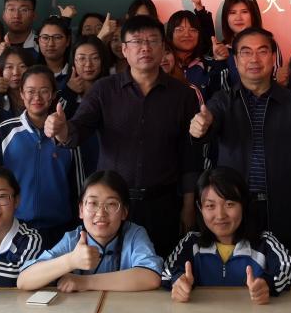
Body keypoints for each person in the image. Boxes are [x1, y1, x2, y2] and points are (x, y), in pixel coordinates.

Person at [44, 15, 201, 256]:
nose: (145, 48)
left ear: (163, 48)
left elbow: (190, 155)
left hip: (163, 204)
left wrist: (189, 206)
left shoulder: (183, 95)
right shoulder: (104, 90)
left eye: (152, 41)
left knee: (159, 269)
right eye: (137, 41)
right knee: (109, 268)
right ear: (124, 50)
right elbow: (78, 130)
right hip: (112, 205)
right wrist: (61, 129)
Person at [189, 27, 291, 252]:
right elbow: (208, 126)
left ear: (273, 57)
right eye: (246, 52)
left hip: (286, 210)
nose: (254, 59)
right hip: (236, 211)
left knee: (285, 269)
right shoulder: (222, 101)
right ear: (236, 60)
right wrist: (200, 128)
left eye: (262, 51)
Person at [16, 170, 163, 292]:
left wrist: (84, 282)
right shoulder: (72, 239)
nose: (101, 213)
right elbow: (24, 280)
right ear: (81, 210)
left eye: (111, 204)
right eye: (92, 203)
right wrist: (70, 261)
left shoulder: (135, 234)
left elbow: (151, 277)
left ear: (124, 212)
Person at [163, 167, 291, 303]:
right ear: (200, 208)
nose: (220, 215)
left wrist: (268, 284)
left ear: (243, 204)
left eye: (229, 204)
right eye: (210, 206)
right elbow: (167, 271)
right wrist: (177, 281)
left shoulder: (265, 242)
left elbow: (287, 268)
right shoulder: (191, 242)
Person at [0, 66, 77, 246]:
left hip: (60, 229)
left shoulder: (67, 132)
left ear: (53, 95)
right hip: (15, 229)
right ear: (21, 94)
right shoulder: (5, 131)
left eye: (44, 91)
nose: (37, 97)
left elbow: (77, 181)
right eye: (30, 91)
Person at [166, 10, 208, 91]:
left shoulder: (209, 65)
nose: (187, 34)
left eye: (192, 30)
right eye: (180, 30)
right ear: (170, 34)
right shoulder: (162, 65)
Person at [0, 47, 33, 122]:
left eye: (22, 66)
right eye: (9, 67)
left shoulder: (38, 97)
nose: (16, 73)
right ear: (1, 71)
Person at [36, 16, 72, 88]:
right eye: (45, 38)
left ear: (68, 41)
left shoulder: (76, 72)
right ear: (38, 41)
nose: (51, 44)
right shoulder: (31, 72)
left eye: (57, 37)